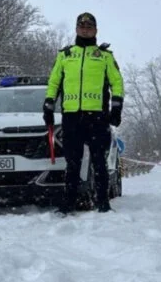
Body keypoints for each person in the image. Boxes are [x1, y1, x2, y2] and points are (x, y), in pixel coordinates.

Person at [44, 12, 124, 214]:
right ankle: (68, 204)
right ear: (76, 29)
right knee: (72, 163)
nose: (85, 28)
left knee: (99, 161)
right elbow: (54, 82)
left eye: (90, 26)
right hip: (71, 116)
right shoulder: (65, 54)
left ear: (96, 30)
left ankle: (103, 203)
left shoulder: (105, 56)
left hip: (97, 116)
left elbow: (117, 82)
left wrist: (116, 107)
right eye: (82, 25)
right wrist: (48, 105)